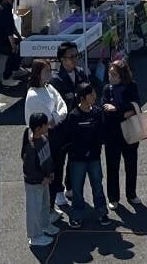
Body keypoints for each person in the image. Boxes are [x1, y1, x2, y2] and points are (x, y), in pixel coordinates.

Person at [49, 42, 92, 208]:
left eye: (76, 56)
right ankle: (58, 190)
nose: (74, 60)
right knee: (59, 161)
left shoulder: (81, 73)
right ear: (61, 59)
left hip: (79, 128)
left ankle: (70, 186)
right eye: (70, 57)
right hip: (61, 129)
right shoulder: (56, 81)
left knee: (74, 160)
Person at [24, 60, 69, 220]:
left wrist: (56, 114)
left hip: (53, 138)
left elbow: (61, 103)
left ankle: (50, 207)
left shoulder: (48, 87)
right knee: (46, 175)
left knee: (55, 171)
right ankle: (46, 212)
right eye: (46, 71)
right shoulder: (34, 95)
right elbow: (50, 120)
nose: (49, 74)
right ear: (37, 74)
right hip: (42, 142)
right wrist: (57, 114)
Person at [65, 82, 109, 228]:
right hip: (77, 159)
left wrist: (94, 149)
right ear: (83, 98)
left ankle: (102, 212)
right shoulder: (73, 116)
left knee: (97, 185)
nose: (95, 96)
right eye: (91, 94)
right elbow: (71, 138)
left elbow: (101, 134)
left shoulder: (97, 112)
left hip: (94, 158)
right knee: (77, 188)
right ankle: (77, 215)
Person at [101, 59, 142, 209]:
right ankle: (113, 198)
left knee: (131, 165)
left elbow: (135, 105)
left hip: (130, 132)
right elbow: (106, 110)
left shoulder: (132, 86)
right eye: (109, 74)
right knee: (112, 167)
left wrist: (117, 109)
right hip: (112, 135)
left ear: (122, 75)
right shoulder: (107, 89)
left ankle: (131, 194)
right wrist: (123, 112)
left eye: (114, 74)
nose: (110, 77)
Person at [21, 112, 61, 248]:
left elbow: (48, 159)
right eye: (45, 124)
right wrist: (41, 178)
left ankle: (45, 225)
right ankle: (35, 236)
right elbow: (29, 169)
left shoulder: (43, 139)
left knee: (45, 205)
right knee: (34, 209)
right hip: (35, 183)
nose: (48, 126)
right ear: (38, 128)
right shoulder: (31, 147)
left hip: (44, 181)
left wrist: (50, 173)